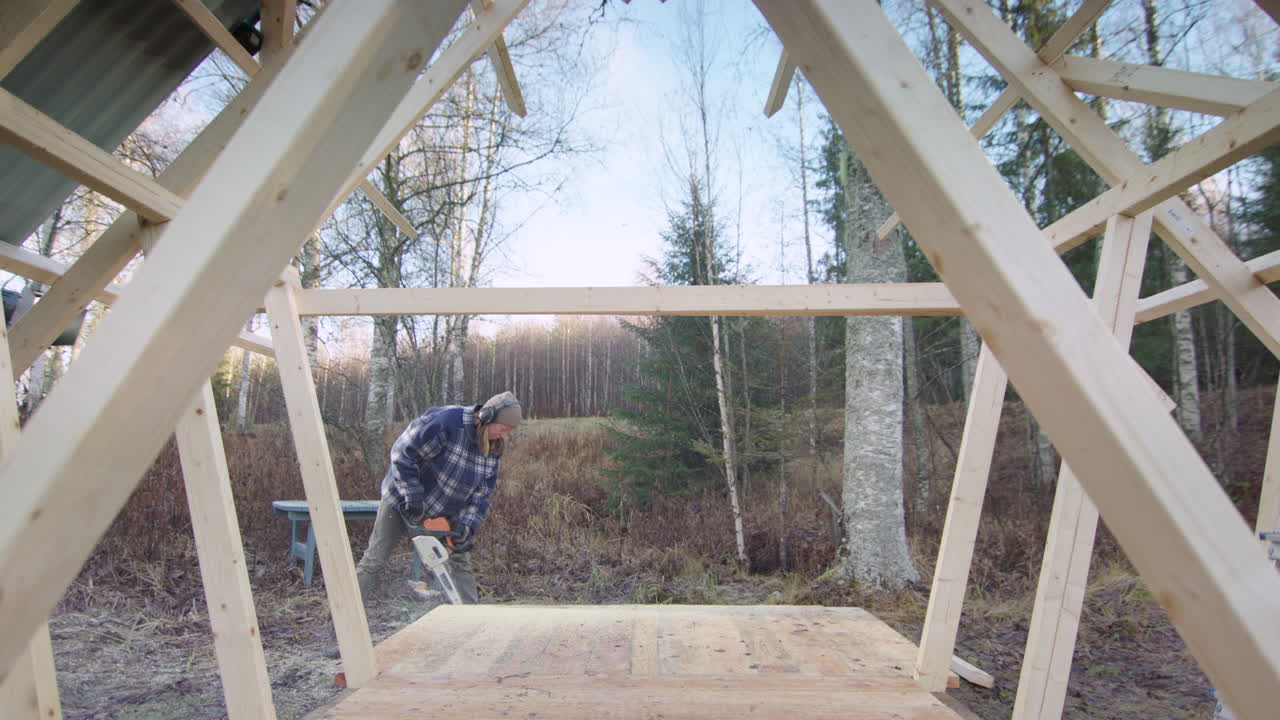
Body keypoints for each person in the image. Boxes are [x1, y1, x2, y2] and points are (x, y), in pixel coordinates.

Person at [353, 390, 522, 607]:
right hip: (401, 501)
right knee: (375, 559)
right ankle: (347, 615)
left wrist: (466, 526)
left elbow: (481, 494)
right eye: (503, 428)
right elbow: (402, 454)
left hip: (444, 511)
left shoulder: (492, 449)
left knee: (459, 563)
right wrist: (412, 496)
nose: (504, 435)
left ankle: (471, 622)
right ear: (487, 417)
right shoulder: (446, 422)